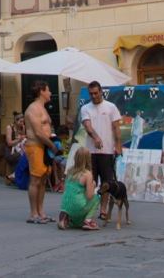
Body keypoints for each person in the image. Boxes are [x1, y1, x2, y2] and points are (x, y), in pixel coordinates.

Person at [79, 81, 122, 223]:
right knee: (90, 181)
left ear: (101, 92)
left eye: (96, 93)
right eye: (91, 94)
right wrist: (96, 138)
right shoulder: (86, 108)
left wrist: (118, 145)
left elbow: (116, 128)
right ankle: (89, 209)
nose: (93, 96)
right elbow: (88, 126)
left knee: (106, 182)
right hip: (91, 151)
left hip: (107, 150)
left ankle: (103, 210)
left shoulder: (111, 107)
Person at [23, 80, 54, 224]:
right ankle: (33, 213)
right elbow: (38, 132)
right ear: (42, 92)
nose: (50, 93)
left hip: (44, 147)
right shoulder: (33, 109)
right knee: (35, 180)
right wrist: (52, 146)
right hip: (35, 146)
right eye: (48, 90)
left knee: (43, 179)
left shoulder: (43, 108)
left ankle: (41, 211)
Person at [57, 146, 101, 231]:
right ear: (88, 159)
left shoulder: (70, 171)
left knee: (74, 196)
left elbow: (65, 189)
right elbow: (89, 196)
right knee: (96, 198)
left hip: (65, 205)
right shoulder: (87, 174)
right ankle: (87, 221)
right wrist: (93, 185)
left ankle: (67, 218)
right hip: (78, 205)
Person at [4, 112, 26, 185]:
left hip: (20, 148)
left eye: (23, 122)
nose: (21, 123)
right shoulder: (9, 127)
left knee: (26, 157)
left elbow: (23, 140)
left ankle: (17, 176)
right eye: (20, 121)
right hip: (10, 150)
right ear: (15, 120)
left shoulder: (23, 127)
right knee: (21, 157)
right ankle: (17, 177)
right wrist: (18, 140)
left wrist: (22, 139)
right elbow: (9, 143)